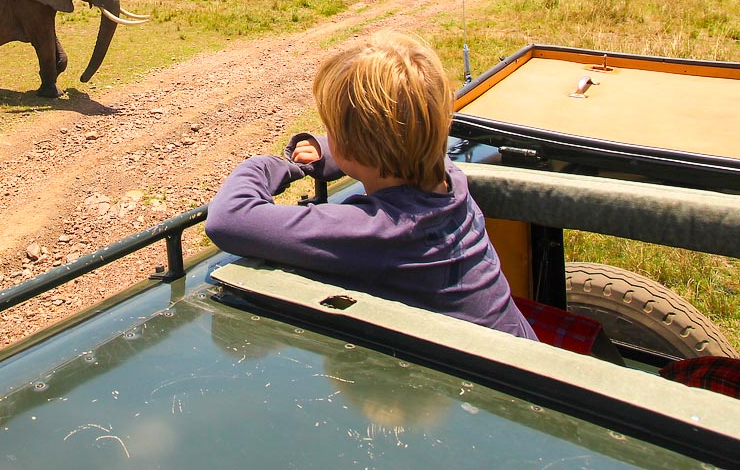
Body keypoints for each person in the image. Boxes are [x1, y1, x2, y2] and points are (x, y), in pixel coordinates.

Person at [205, 30, 534, 339]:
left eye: (330, 130)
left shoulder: (379, 231)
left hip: (489, 386)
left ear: (351, 147)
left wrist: (267, 164)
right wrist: (329, 151)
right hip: (523, 356)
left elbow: (229, 219)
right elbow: (403, 142)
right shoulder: (449, 179)